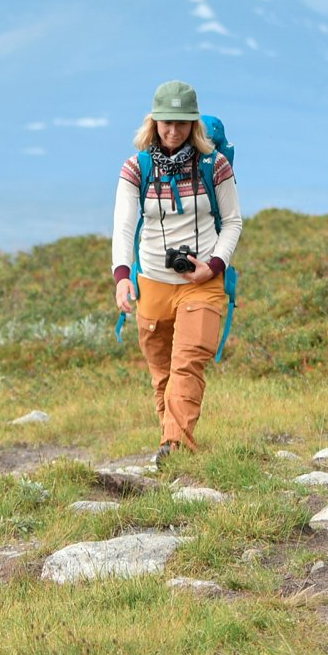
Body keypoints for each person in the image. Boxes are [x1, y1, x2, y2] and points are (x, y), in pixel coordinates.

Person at [111, 80, 243, 463]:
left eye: (182, 123)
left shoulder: (213, 166)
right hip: (151, 280)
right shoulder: (137, 169)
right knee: (163, 372)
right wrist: (122, 278)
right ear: (153, 122)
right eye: (166, 122)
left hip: (203, 282)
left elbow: (233, 221)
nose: (173, 131)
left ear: (193, 125)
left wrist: (214, 265)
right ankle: (170, 443)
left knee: (187, 361)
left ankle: (175, 446)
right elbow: (123, 226)